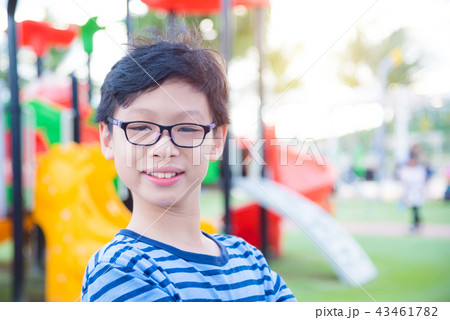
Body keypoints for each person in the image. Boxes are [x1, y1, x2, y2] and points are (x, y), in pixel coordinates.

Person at [81, 28, 296, 302]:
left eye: (187, 128)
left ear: (217, 140)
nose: (164, 149)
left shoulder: (250, 261)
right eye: (141, 127)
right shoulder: (121, 270)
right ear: (108, 138)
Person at [398, 151, 427, 233]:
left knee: (415, 208)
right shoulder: (405, 170)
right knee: (413, 208)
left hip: (417, 191)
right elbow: (403, 181)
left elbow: (422, 181)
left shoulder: (419, 169)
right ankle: (416, 223)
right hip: (409, 192)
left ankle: (416, 224)